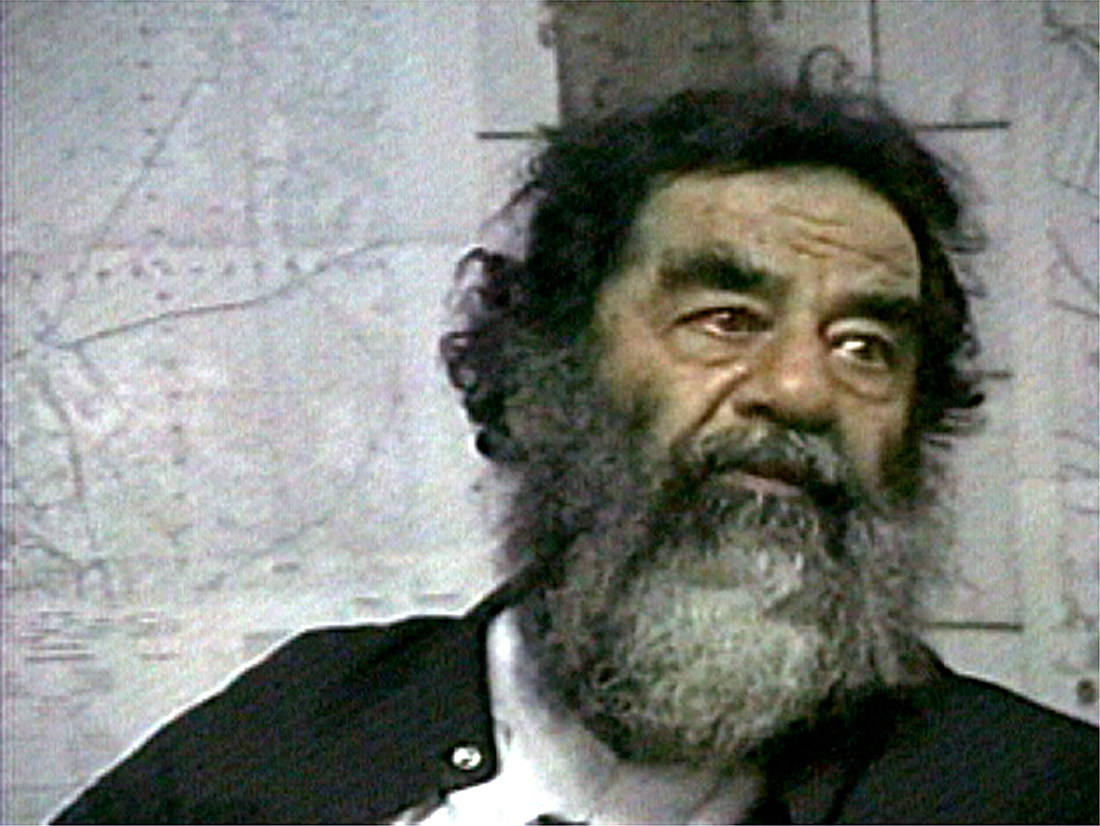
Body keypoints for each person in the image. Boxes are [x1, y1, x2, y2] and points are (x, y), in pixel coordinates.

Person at [53, 83, 1098, 825]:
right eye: (725, 318)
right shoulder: (296, 731)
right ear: (546, 365)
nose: (800, 389)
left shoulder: (1037, 794)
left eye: (865, 345)